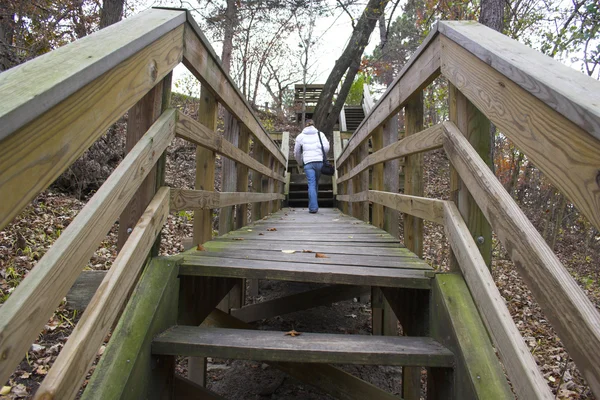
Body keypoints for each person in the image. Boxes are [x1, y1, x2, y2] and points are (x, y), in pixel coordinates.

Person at [293, 119, 330, 214]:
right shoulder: (320, 134)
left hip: (308, 163)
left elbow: (296, 152)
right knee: (315, 183)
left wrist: (300, 162)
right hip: (319, 162)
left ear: (305, 125)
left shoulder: (300, 136)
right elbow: (326, 147)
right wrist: (321, 155)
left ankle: (313, 207)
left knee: (311, 184)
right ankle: (313, 205)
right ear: (314, 125)